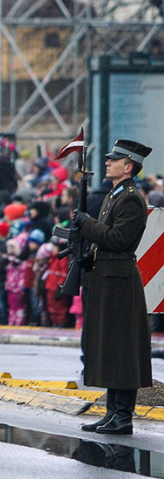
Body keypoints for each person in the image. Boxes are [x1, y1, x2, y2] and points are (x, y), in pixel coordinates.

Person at [74, 139, 153, 435]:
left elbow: (119, 239)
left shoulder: (131, 198)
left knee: (122, 349)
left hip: (119, 281)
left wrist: (86, 224)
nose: (107, 163)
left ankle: (123, 416)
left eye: (113, 160)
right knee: (110, 348)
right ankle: (112, 413)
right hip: (108, 278)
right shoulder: (115, 194)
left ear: (128, 166)